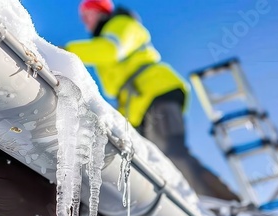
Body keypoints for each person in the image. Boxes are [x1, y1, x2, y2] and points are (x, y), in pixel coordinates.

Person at [66, 0, 239, 201]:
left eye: (88, 14)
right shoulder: (104, 35)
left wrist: (66, 50)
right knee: (151, 161)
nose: (85, 20)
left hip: (155, 90)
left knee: (169, 152)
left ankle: (221, 201)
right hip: (138, 104)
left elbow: (110, 50)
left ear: (101, 12)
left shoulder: (120, 24)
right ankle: (194, 201)